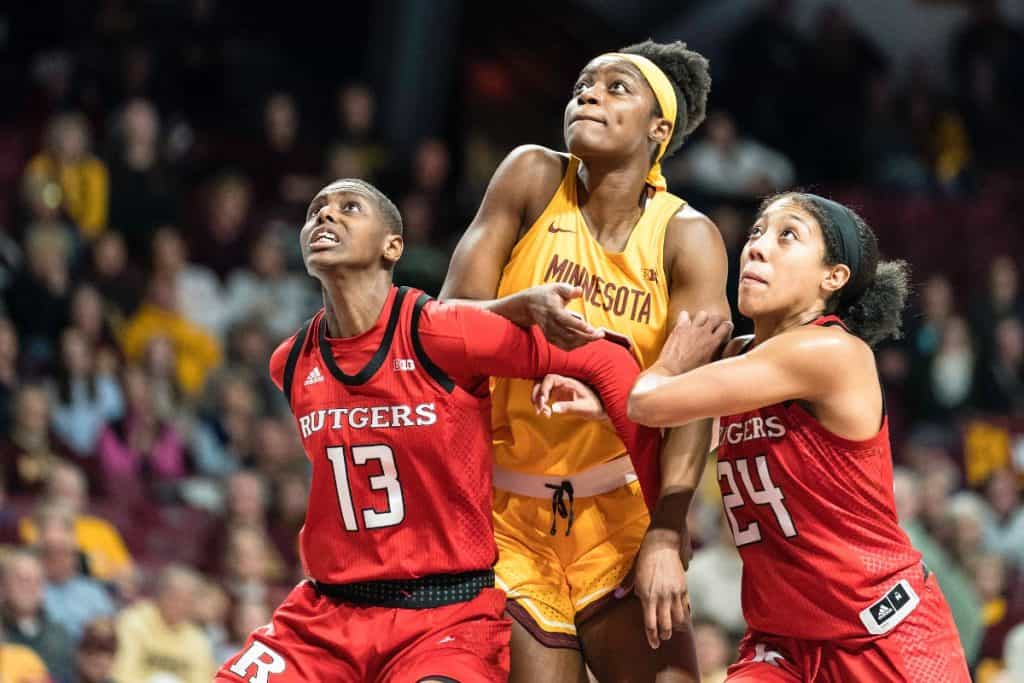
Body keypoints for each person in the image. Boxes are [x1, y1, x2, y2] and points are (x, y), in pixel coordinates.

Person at [216, 178, 660, 683]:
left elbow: (604, 357)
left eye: (349, 207)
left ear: (393, 246)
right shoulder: (291, 362)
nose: (325, 216)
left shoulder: (439, 333)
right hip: (326, 616)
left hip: (444, 617)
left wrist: (666, 520)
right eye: (315, 210)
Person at [541, 192, 971, 681]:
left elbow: (649, 401)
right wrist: (607, 413)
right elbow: (685, 431)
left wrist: (669, 367)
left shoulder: (829, 351)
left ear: (833, 278)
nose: (758, 247)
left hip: (882, 635)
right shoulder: (741, 356)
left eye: (788, 235)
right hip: (781, 646)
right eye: (757, 232)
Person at [440, 40, 726, 680]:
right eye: (583, 84)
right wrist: (520, 311)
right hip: (505, 516)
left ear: (660, 129)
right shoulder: (532, 176)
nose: (588, 94)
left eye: (615, 87)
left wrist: (668, 535)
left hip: (621, 518)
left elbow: (697, 406)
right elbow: (442, 328)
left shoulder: (688, 238)